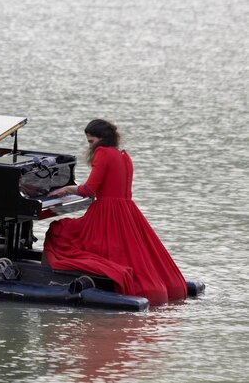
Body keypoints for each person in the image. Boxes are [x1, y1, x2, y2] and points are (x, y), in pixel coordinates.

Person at [43, 119, 187, 305]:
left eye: (91, 141)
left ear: (101, 139)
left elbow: (89, 191)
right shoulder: (123, 156)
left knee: (58, 229)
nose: (90, 146)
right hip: (127, 212)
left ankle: (48, 280)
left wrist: (66, 190)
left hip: (106, 213)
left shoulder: (102, 153)